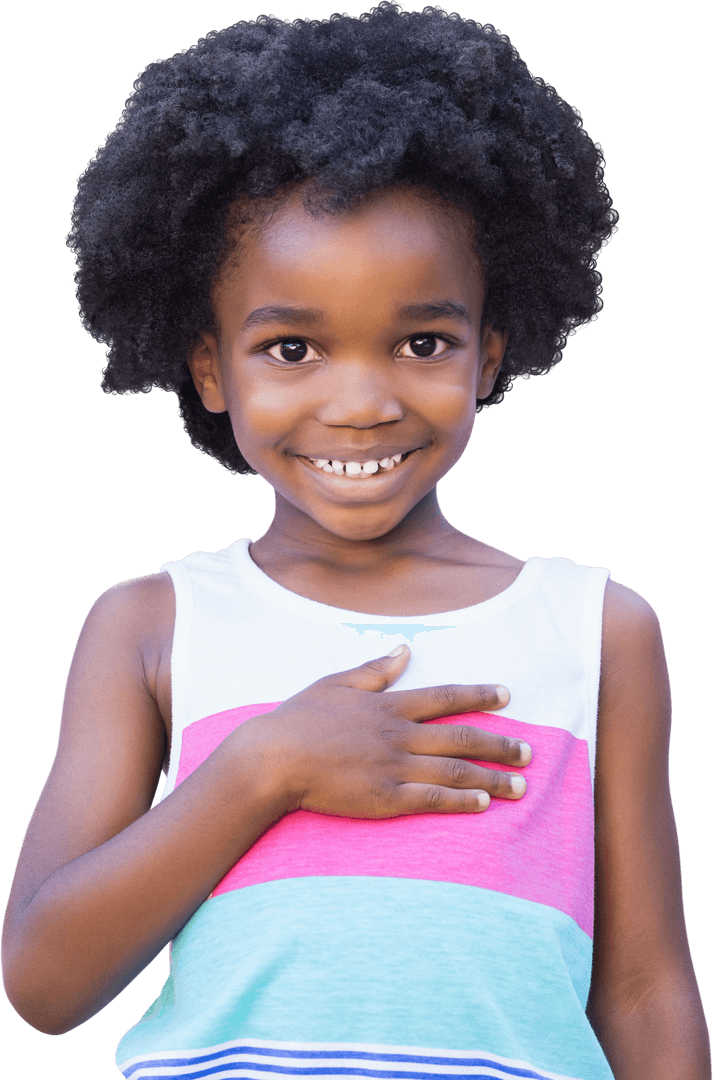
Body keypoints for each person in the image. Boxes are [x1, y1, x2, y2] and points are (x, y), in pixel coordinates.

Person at [2, 3, 709, 1078]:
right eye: (291, 347)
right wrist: (263, 768)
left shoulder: (592, 628)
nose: (362, 402)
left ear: (487, 354)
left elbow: (644, 987)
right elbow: (43, 983)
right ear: (209, 369)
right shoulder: (152, 625)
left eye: (421, 340)